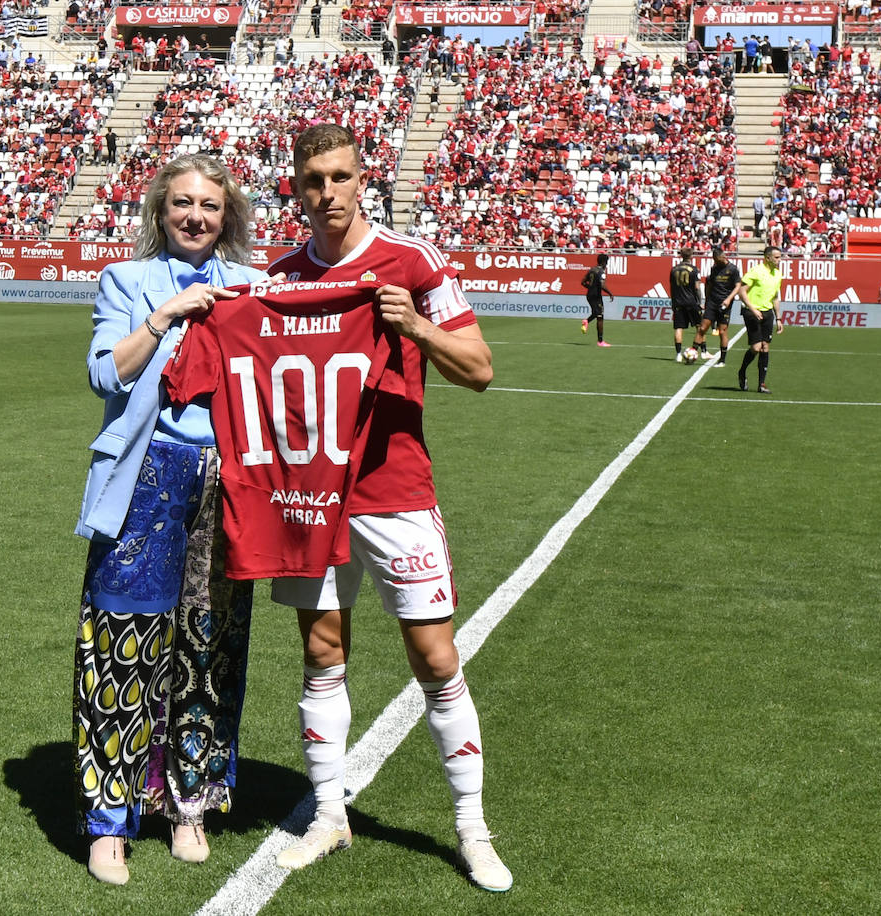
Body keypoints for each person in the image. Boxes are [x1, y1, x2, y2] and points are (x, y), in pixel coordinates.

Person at [267, 124, 512, 893]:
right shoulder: (279, 277)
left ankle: (473, 830)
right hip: (309, 498)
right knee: (321, 654)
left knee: (436, 660)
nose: (327, 193)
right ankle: (329, 815)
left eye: (339, 176)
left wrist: (415, 324)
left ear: (361, 177)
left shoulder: (414, 262)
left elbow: (480, 370)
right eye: (313, 180)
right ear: (296, 186)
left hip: (395, 495)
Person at [73, 154, 267, 886]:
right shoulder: (128, 281)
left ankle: (190, 803)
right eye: (182, 203)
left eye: (210, 206)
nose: (195, 216)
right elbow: (104, 372)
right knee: (121, 644)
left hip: (228, 483)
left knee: (208, 641)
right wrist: (161, 319)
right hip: (145, 476)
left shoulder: (251, 289)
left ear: (228, 217)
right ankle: (108, 821)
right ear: (160, 212)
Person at [736, 246, 785, 393]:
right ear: (767, 258)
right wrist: (753, 309)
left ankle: (761, 384)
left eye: (780, 257)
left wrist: (779, 318)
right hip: (751, 312)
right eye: (776, 257)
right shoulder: (756, 271)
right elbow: (741, 291)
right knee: (756, 347)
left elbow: (775, 296)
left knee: (765, 346)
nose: (779, 260)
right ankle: (742, 371)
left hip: (767, 312)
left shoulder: (777, 274)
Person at [692, 246, 741, 366]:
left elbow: (738, 286)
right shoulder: (714, 268)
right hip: (712, 303)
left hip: (725, 304)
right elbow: (710, 285)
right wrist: (706, 300)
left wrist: (729, 299)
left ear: (723, 257)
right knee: (702, 328)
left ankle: (722, 360)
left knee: (722, 331)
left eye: (717, 260)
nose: (715, 263)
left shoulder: (733, 269)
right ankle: (692, 353)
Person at [668, 247, 702, 359]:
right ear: (691, 256)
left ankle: (678, 354)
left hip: (678, 301)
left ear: (681, 255)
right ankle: (702, 350)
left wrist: (673, 303)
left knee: (678, 328)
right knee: (699, 326)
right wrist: (700, 301)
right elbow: (697, 288)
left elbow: (672, 288)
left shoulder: (673, 269)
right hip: (691, 301)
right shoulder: (693, 269)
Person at [581, 252, 614, 346]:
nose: (607, 264)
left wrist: (590, 288)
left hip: (589, 295)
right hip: (596, 296)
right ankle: (600, 341)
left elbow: (583, 282)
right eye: (606, 262)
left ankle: (586, 321)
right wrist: (610, 293)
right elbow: (602, 285)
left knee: (596, 313)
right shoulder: (601, 272)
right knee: (600, 317)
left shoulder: (591, 270)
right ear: (603, 262)